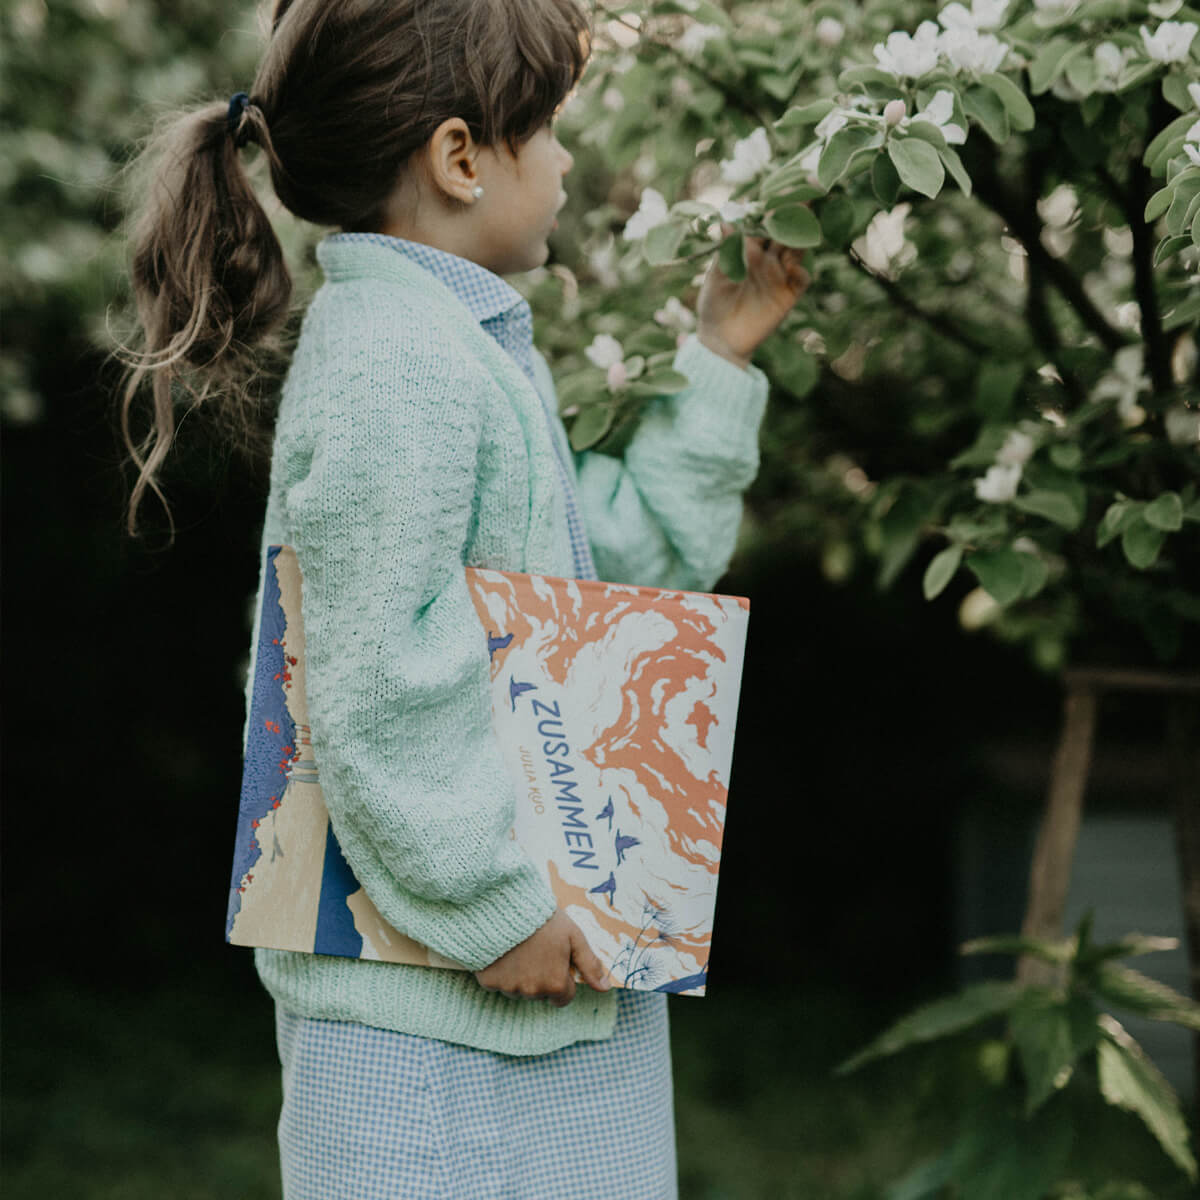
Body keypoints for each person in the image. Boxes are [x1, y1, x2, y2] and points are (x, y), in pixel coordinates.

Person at [120, 0, 809, 1195]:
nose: (568, 160)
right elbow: (376, 676)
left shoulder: (459, 346)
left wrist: (718, 361)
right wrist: (495, 909)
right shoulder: (398, 359)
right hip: (437, 1036)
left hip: (520, 1001)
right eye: (548, 129)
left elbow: (602, 594)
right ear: (458, 158)